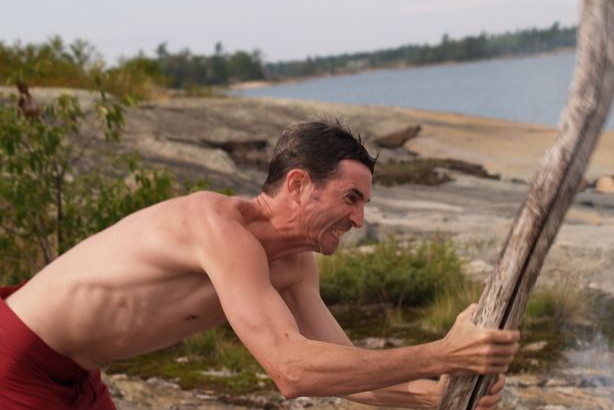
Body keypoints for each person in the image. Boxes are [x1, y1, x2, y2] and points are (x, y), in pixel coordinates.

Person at [0, 120, 520, 409]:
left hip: (80, 376)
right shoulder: (215, 226)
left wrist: (437, 396)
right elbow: (291, 371)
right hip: (13, 360)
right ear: (298, 185)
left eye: (364, 204)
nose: (360, 219)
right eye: (351, 198)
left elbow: (345, 368)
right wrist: (443, 354)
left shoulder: (295, 265)